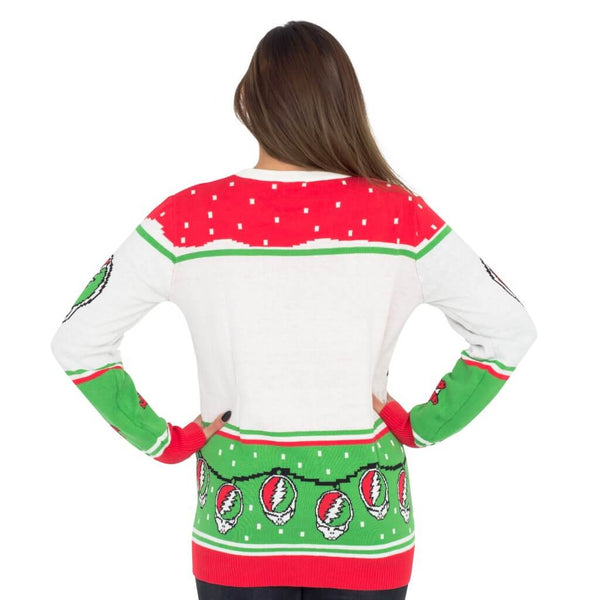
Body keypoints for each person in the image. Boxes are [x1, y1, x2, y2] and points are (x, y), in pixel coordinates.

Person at [50, 19, 537, 600]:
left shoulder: (187, 218)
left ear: (249, 102)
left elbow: (77, 340)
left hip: (236, 532)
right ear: (344, 103)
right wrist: (423, 426)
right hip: (369, 533)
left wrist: (165, 441)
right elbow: (507, 328)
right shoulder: (401, 217)